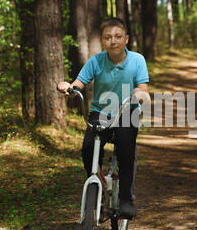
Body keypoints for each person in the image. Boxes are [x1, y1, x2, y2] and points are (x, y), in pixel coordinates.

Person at [57, 17, 150, 219]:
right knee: (88, 147)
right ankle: (97, 185)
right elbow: (78, 83)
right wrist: (69, 88)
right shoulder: (96, 61)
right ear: (102, 40)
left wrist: (140, 95)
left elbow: (142, 88)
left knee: (126, 147)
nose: (113, 41)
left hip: (127, 111)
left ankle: (126, 199)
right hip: (101, 113)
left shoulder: (137, 60)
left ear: (126, 39)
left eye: (117, 37)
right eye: (108, 37)